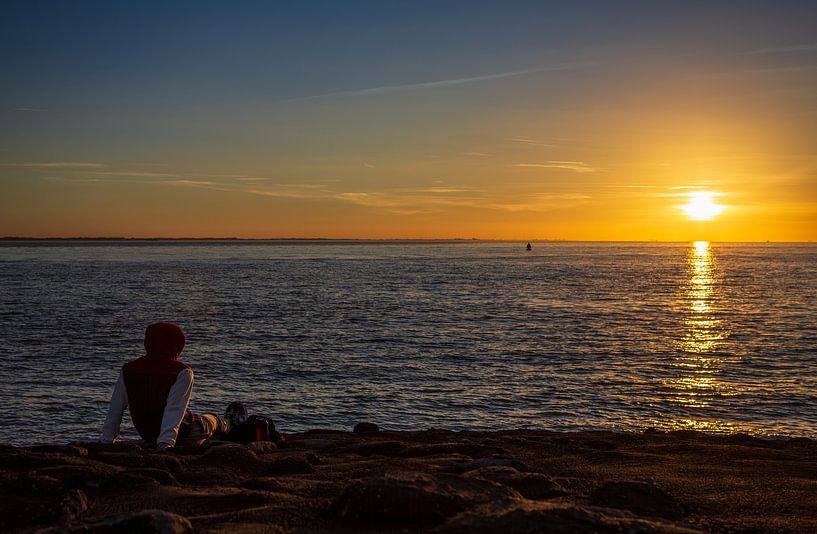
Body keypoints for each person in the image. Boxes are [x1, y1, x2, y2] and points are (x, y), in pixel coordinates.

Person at [100, 322, 247, 448]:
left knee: (200, 419)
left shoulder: (128, 369)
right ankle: (230, 424)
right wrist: (165, 445)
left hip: (148, 434)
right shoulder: (182, 372)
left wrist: (106, 441)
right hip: (184, 434)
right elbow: (174, 411)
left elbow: (115, 410)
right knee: (212, 420)